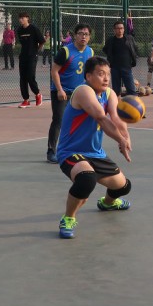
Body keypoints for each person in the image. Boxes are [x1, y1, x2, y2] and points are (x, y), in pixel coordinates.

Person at [56, 56, 133, 239]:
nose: (106, 78)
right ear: (88, 76)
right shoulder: (83, 91)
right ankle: (68, 218)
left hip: (95, 153)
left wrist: (126, 137)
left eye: (108, 74)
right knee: (86, 179)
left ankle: (107, 203)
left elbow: (115, 118)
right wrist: (119, 140)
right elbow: (101, 118)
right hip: (71, 152)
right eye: (101, 74)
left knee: (123, 187)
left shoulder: (109, 93)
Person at [47, 24, 95, 164]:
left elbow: (89, 74)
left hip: (79, 93)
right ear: (75, 35)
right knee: (59, 120)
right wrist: (59, 89)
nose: (83, 36)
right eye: (80, 33)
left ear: (89, 37)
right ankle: (51, 151)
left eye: (86, 34)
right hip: (62, 91)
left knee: (81, 121)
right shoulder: (66, 51)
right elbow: (54, 71)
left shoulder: (90, 52)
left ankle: (75, 149)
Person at [15, 12, 44, 108]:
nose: (21, 20)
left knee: (30, 77)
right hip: (23, 56)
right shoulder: (19, 30)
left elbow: (42, 41)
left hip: (32, 56)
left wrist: (36, 51)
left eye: (23, 18)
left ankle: (38, 94)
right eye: (20, 18)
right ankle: (26, 100)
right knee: (22, 78)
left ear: (27, 18)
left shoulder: (34, 28)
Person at [103, 20, 138, 97]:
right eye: (118, 28)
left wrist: (133, 59)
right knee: (116, 91)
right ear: (114, 30)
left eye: (121, 28)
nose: (120, 30)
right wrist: (111, 58)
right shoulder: (110, 40)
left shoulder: (129, 39)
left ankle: (133, 103)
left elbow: (134, 48)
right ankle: (116, 104)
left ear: (124, 29)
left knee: (131, 90)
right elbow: (105, 49)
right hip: (115, 68)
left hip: (127, 67)